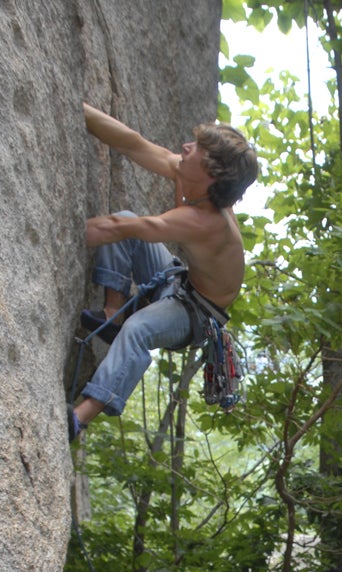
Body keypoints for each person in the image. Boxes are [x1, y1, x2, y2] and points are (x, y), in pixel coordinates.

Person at [69, 103, 258, 440]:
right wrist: (76, 107)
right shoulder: (193, 178)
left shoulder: (208, 223)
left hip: (196, 313)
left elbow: (115, 229)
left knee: (139, 327)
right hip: (181, 280)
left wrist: (61, 234)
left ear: (212, 172)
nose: (186, 147)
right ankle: (113, 312)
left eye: (198, 148)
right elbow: (132, 143)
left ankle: (80, 418)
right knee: (127, 221)